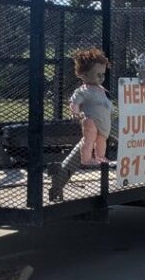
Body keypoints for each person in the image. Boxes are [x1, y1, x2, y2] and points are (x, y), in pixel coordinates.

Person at [49, 48, 115, 201]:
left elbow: (106, 104)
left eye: (103, 74)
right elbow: (74, 102)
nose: (101, 77)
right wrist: (75, 111)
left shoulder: (101, 89)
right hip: (90, 119)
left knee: (102, 140)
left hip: (104, 122)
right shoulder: (83, 90)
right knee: (89, 138)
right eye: (97, 74)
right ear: (84, 75)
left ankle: (100, 156)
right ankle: (86, 158)